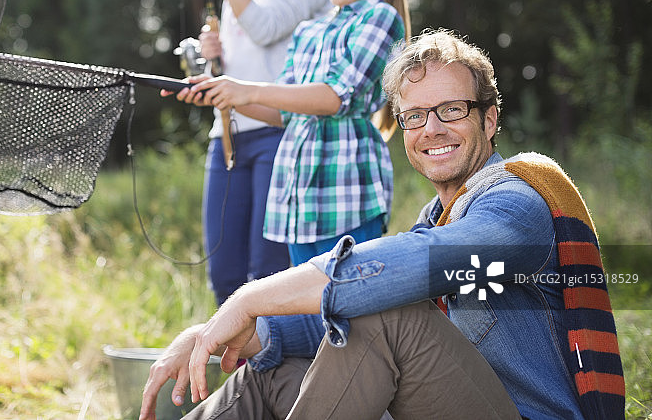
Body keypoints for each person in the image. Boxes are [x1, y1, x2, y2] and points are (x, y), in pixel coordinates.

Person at [140, 29, 625, 420]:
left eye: (452, 110)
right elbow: (349, 314)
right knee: (273, 369)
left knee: (388, 312)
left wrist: (248, 298)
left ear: (490, 119)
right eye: (413, 116)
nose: (431, 128)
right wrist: (237, 333)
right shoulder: (436, 217)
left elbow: (418, 266)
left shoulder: (518, 201)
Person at [182, 0, 411, 266]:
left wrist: (248, 89)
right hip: (300, 206)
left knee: (347, 311)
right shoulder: (309, 31)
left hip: (349, 200)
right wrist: (220, 93)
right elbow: (281, 112)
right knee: (299, 316)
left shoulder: (380, 18)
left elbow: (335, 97)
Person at [183, 0, 332, 305]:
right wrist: (213, 55)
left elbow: (265, 27)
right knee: (224, 275)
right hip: (227, 139)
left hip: (279, 133)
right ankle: (241, 370)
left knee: (268, 275)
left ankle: (275, 369)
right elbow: (235, 64)